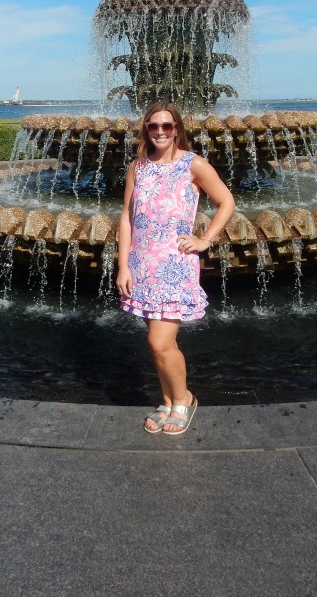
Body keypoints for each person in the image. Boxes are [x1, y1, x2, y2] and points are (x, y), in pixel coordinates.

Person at [117, 102, 235, 435]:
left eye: (166, 126)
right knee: (157, 344)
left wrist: (205, 239)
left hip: (173, 266)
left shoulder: (193, 165)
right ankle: (168, 400)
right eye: (153, 126)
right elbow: (126, 218)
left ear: (177, 129)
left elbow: (227, 202)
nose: (159, 132)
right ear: (145, 129)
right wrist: (123, 265)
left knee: (160, 342)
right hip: (141, 265)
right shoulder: (137, 167)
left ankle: (184, 399)